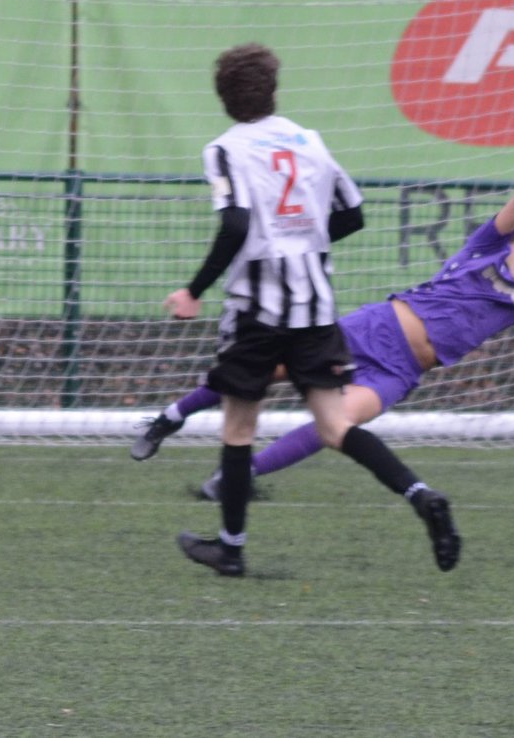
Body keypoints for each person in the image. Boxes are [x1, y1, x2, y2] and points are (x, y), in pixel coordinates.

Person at [167, 43, 459, 577]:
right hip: (315, 312)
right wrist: (305, 245)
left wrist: (193, 290)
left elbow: (234, 225)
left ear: (224, 99)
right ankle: (421, 496)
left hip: (258, 312)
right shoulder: (310, 142)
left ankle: (230, 549)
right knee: (335, 426)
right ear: (273, 91)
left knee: (237, 428)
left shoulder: (225, 149)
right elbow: (352, 213)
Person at [134, 146, 514, 502]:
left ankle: (236, 476)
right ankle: (170, 417)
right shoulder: (487, 245)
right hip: (375, 329)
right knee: (264, 372)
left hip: (401, 372)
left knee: (335, 427)